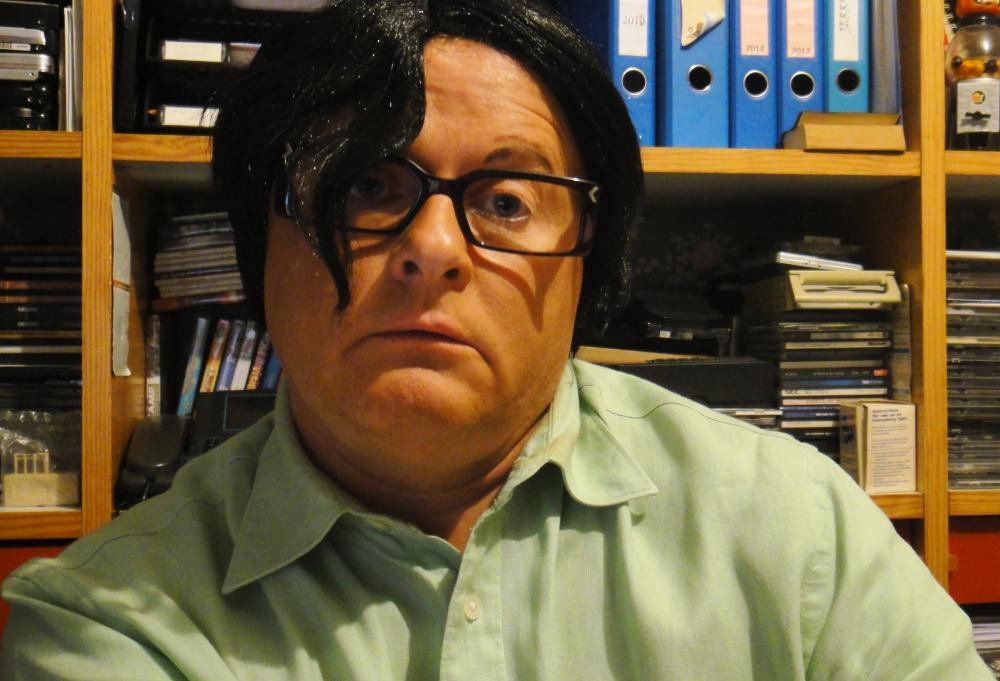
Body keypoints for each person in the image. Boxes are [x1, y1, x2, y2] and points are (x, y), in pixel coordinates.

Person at [0, 1, 992, 679]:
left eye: (507, 200)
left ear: (589, 260)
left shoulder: (796, 529)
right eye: (365, 187)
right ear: (258, 246)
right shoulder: (114, 620)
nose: (434, 249)